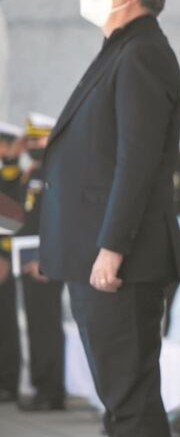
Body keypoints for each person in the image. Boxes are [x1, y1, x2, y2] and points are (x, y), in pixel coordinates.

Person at [37, 0, 180, 436]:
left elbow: (136, 163)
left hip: (119, 259)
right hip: (98, 254)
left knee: (129, 400)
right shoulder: (121, 49)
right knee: (119, 399)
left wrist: (112, 248)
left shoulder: (141, 53)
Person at [16, 113, 67, 412]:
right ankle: (40, 387)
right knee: (37, 325)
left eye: (37, 138)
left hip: (43, 263)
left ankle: (51, 391)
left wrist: (44, 258)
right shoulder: (36, 171)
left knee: (47, 325)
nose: (32, 144)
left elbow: (55, 220)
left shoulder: (55, 171)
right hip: (28, 261)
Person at [0, 120, 23, 403]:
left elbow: (10, 220)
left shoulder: (11, 175)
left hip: (1, 259)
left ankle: (7, 382)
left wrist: (3, 256)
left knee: (4, 320)